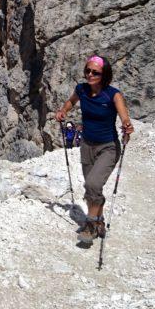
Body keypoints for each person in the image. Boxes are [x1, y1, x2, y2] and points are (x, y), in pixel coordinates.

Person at [53, 54, 134, 244]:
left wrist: (127, 126)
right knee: (91, 188)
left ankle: (90, 225)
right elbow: (71, 102)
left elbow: (124, 118)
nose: (90, 74)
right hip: (87, 144)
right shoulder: (81, 90)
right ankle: (99, 220)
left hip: (108, 147)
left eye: (95, 72)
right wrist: (63, 111)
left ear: (104, 74)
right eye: (87, 71)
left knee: (93, 185)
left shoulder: (113, 95)